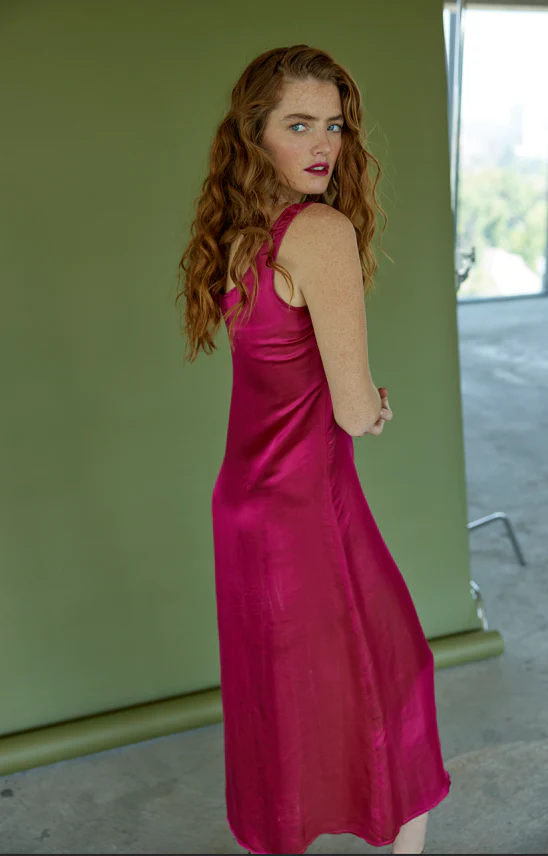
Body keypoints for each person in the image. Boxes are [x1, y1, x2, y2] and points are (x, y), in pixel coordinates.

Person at [177, 44, 451, 856]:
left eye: (333, 125)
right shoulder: (321, 231)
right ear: (256, 132)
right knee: (399, 671)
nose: (323, 143)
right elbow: (354, 409)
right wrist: (377, 408)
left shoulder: (239, 234)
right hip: (307, 507)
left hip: (243, 506)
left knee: (279, 706)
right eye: (299, 125)